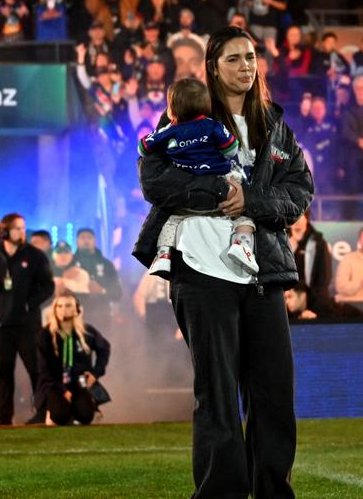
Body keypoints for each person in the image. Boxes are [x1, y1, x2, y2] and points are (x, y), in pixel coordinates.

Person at [133, 26, 313, 498]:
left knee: (274, 394)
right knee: (216, 395)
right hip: (200, 270)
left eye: (250, 57)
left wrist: (250, 200)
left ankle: (274, 492)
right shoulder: (189, 112)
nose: (245, 66)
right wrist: (219, 193)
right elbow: (154, 180)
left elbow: (300, 190)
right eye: (233, 59)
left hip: (262, 272)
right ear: (213, 67)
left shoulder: (273, 121)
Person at [138, 77, 258, 277]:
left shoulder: (170, 130)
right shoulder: (213, 126)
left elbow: (143, 147)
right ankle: (241, 244)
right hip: (221, 191)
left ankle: (163, 254)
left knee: (172, 219)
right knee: (245, 211)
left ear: (172, 110)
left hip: (187, 196)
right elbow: (230, 149)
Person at [0, 212, 54, 426]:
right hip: (1, 324)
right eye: (17, 228)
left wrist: (29, 304)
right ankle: (3, 416)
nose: (22, 232)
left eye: (23, 228)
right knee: (2, 369)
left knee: (35, 369)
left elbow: (48, 286)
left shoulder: (35, 255)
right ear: (4, 231)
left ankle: (43, 411)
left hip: (27, 324)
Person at [35, 294, 112, 426]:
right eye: (59, 306)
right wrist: (63, 391)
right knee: (59, 417)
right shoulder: (45, 334)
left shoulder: (87, 331)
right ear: (54, 309)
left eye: (68, 305)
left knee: (86, 416)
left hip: (79, 383)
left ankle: (87, 407)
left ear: (77, 309)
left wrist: (95, 373)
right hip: (55, 384)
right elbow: (44, 369)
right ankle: (51, 410)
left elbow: (104, 348)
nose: (63, 309)